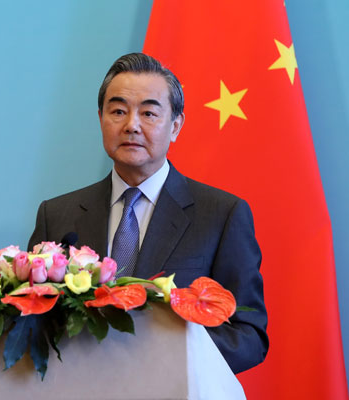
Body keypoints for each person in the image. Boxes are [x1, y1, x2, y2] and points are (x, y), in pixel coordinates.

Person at [28, 53, 268, 374]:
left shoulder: (222, 215)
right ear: (101, 119)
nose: (132, 125)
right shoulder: (57, 214)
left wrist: (160, 357)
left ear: (175, 126)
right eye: (118, 111)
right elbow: (29, 319)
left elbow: (248, 336)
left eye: (149, 113)